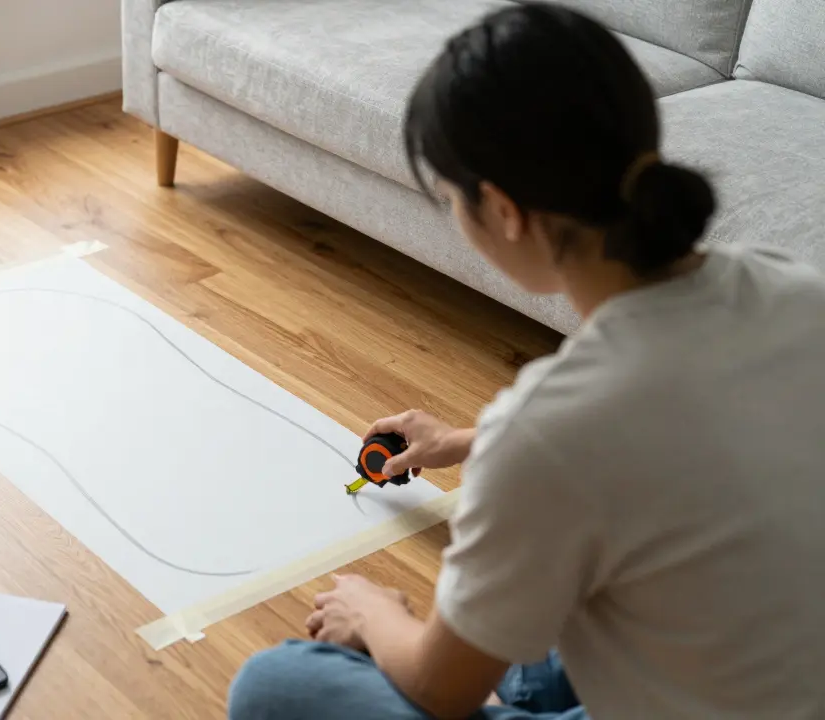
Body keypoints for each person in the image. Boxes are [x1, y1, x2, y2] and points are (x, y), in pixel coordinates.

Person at [228, 3, 825, 719]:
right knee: (556, 623)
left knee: (275, 687)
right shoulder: (795, 290)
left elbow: (437, 690)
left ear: (504, 212)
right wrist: (462, 444)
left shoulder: (545, 430)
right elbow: (678, 437)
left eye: (451, 199)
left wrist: (375, 613)